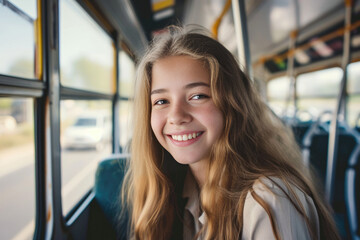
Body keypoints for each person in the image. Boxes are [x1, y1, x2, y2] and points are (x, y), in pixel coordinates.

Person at [121, 26, 340, 240]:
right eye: (161, 101)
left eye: (198, 96)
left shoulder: (270, 202)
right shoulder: (175, 187)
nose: (176, 116)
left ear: (232, 103)